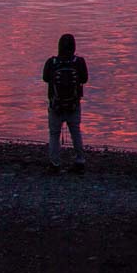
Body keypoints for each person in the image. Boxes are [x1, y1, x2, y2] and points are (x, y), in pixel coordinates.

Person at [43, 33, 88, 174]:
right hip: (73, 105)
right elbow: (84, 79)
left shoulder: (52, 62)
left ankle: (54, 164)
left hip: (55, 105)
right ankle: (80, 161)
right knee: (75, 132)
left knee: (54, 134)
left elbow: (45, 78)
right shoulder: (79, 62)